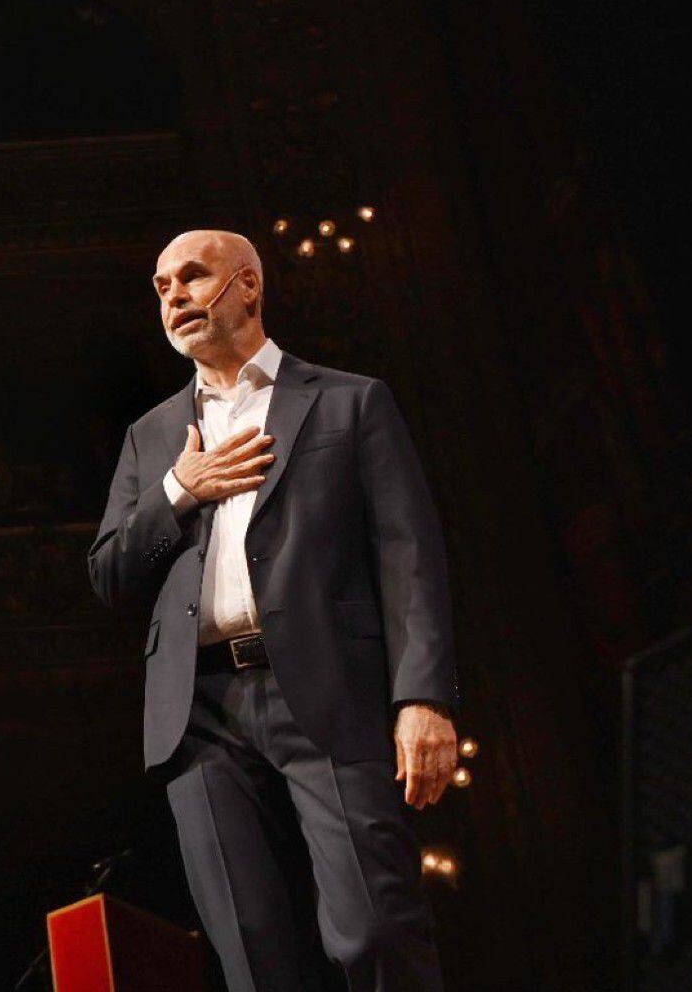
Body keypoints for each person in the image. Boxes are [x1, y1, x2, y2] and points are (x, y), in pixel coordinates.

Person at [86, 229, 460, 991]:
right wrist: (178, 491)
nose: (175, 298)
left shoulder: (349, 401)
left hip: (323, 689)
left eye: (193, 277)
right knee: (252, 959)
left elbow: (408, 553)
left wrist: (422, 697)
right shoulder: (152, 435)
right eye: (161, 288)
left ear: (249, 286)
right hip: (198, 714)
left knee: (373, 931)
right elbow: (109, 576)